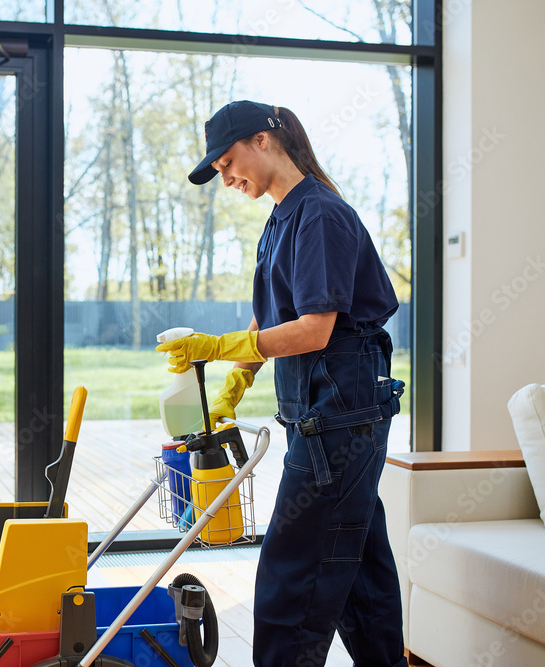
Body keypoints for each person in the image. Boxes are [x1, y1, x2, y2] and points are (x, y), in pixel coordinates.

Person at [157, 100, 407, 666]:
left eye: (227, 162)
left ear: (263, 141)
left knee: (290, 579)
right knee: (361, 572)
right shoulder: (283, 217)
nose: (226, 178)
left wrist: (217, 348)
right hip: (327, 416)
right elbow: (271, 319)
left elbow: (314, 330)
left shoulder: (318, 214)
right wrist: (233, 385)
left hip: (338, 419)